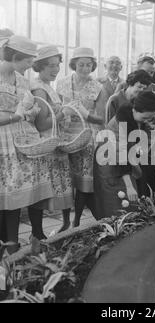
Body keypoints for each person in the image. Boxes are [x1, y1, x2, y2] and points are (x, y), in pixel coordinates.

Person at [0, 36, 53, 252]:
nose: (30, 66)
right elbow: (15, 114)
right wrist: (16, 116)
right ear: (14, 57)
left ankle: (13, 242)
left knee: (16, 194)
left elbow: (23, 110)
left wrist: (30, 113)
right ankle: (8, 243)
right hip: (3, 141)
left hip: (21, 140)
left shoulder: (21, 80)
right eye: (28, 62)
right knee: (6, 193)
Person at [94, 91, 155, 218]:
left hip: (127, 161)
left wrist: (153, 130)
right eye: (145, 118)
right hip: (111, 162)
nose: (147, 121)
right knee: (119, 200)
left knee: (131, 201)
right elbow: (121, 155)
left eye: (150, 118)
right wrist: (129, 186)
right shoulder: (121, 123)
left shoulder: (139, 118)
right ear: (134, 110)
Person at [56, 47, 104, 228]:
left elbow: (103, 118)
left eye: (89, 65)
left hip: (87, 137)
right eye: (81, 64)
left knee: (83, 181)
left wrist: (87, 114)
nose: (85, 68)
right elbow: (56, 110)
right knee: (66, 181)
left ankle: (76, 221)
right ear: (74, 64)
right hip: (66, 136)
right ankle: (66, 221)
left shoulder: (98, 86)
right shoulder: (61, 83)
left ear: (93, 66)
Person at [31, 45, 74, 234]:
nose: (55, 69)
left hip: (56, 143)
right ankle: (38, 233)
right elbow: (42, 125)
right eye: (50, 66)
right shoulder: (39, 89)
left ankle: (65, 224)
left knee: (62, 185)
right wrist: (63, 113)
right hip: (46, 146)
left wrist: (65, 114)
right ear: (39, 66)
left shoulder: (49, 86)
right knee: (42, 190)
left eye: (57, 65)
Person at [96, 56, 124, 122]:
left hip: (119, 121)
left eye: (117, 63)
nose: (114, 65)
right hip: (101, 121)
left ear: (121, 67)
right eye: (111, 62)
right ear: (105, 66)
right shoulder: (97, 82)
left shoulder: (125, 84)